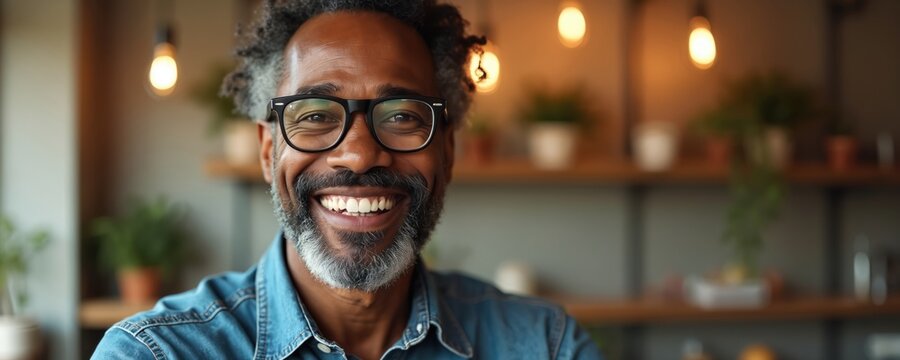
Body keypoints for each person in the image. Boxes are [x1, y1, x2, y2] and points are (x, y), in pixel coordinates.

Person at [93, 1, 601, 359]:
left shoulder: (545, 346)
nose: (358, 155)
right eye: (314, 115)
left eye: (402, 115)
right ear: (269, 150)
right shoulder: (156, 354)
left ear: (447, 151)